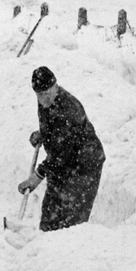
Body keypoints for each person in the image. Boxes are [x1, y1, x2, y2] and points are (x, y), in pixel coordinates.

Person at [18, 66, 105, 232]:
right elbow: (55, 128)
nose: (44, 98)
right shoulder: (45, 101)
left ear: (55, 86)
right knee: (50, 215)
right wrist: (43, 134)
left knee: (71, 222)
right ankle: (44, 242)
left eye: (47, 93)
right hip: (61, 164)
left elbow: (61, 152)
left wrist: (37, 176)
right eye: (40, 94)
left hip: (84, 166)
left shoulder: (69, 109)